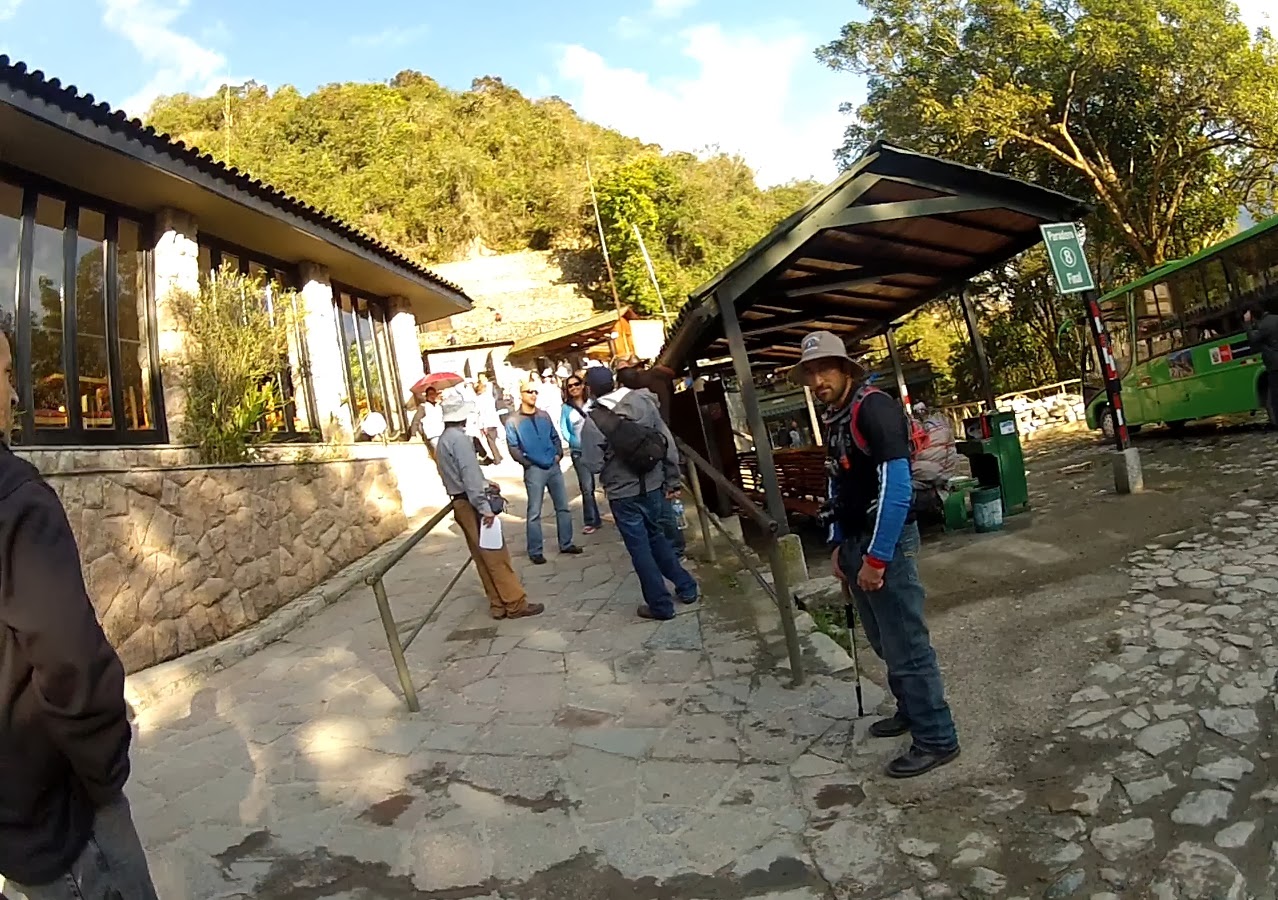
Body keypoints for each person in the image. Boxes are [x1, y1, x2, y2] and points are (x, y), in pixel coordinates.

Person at [0, 331, 161, 898]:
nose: (14, 396)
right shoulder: (16, 502)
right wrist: (104, 768)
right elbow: (70, 660)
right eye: (2, 374)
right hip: (56, 815)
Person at [793, 330, 960, 779]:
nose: (817, 378)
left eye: (824, 368)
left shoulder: (874, 408)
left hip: (884, 544)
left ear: (845, 368)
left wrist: (877, 558)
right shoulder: (836, 416)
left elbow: (897, 488)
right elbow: (836, 483)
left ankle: (937, 737)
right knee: (885, 641)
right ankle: (911, 711)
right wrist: (836, 544)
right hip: (854, 544)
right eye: (810, 371)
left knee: (907, 644)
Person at [581, 367, 698, 620]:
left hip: (623, 494)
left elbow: (593, 464)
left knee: (640, 550)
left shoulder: (593, 421)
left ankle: (661, 605)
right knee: (656, 536)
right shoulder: (644, 402)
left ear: (590, 389)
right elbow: (666, 443)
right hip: (654, 485)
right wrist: (672, 479)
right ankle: (687, 587)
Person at [434, 393, 544, 620]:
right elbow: (470, 475)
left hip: (460, 500)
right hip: (472, 502)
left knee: (482, 557)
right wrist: (484, 507)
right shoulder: (460, 440)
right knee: (495, 555)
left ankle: (497, 602)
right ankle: (514, 602)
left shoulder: (444, 440)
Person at [505, 381, 581, 564]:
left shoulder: (544, 415)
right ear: (521, 394)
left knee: (562, 507)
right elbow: (513, 446)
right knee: (534, 511)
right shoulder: (513, 420)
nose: (533, 394)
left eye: (535, 391)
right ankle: (535, 549)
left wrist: (558, 454)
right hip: (534, 469)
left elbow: (554, 436)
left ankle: (566, 542)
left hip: (553, 466)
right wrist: (527, 463)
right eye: (529, 391)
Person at [616, 366, 685, 558]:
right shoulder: (651, 403)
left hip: (635, 472)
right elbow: (667, 441)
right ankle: (676, 550)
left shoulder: (617, 410)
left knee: (650, 516)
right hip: (658, 464)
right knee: (665, 510)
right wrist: (673, 477)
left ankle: (663, 552)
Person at [560, 373, 603, 534]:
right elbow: (565, 430)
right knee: (586, 487)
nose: (574, 388)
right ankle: (592, 519)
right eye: (570, 386)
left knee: (611, 481)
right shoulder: (566, 408)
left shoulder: (593, 403)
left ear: (582, 385)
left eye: (576, 384)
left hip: (599, 446)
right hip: (580, 451)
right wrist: (577, 443)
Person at [1244, 302, 1278, 426]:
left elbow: (1252, 339)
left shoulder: (1263, 326)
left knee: (1276, 399)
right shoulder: (1276, 318)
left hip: (1274, 366)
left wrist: (1247, 323)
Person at [473, 377, 504, 464]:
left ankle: (497, 458)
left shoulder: (479, 400)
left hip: (487, 422)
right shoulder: (489, 398)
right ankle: (499, 456)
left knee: (491, 442)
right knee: (494, 440)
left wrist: (482, 426)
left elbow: (481, 413)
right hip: (494, 421)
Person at [409, 386, 445, 457]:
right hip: (433, 435)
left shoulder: (440, 406)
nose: (432, 396)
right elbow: (416, 420)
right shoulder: (423, 407)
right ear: (427, 395)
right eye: (430, 394)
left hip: (444, 434)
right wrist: (413, 435)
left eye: (433, 394)